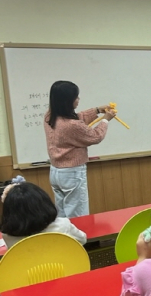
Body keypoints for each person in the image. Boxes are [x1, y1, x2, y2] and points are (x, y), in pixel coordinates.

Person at [44, 81, 117, 218]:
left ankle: (65, 233)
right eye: (76, 97)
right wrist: (105, 120)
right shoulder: (71, 125)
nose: (78, 99)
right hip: (72, 173)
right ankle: (78, 233)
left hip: (56, 172)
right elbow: (95, 136)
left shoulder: (49, 117)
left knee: (62, 214)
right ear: (67, 101)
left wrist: (96, 110)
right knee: (78, 215)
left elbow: (77, 118)